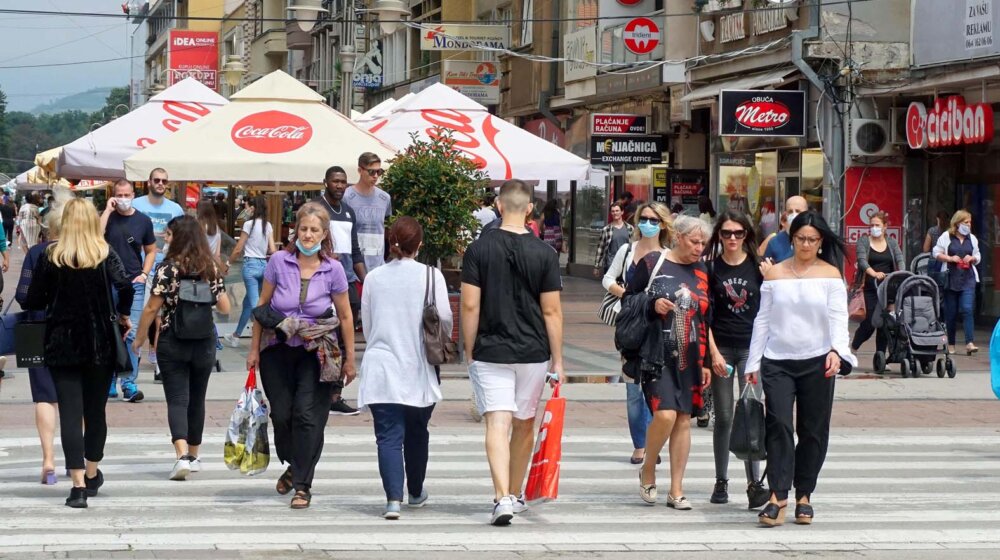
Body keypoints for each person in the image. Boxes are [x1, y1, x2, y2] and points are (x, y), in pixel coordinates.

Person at [461, 179, 565, 526]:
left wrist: (468, 348)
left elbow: (470, 306)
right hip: (534, 352)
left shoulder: (478, 250)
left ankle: (501, 496)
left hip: (491, 349)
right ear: (530, 209)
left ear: (498, 205)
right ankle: (516, 494)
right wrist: (559, 359)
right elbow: (552, 311)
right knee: (523, 424)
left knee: (496, 421)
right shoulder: (545, 254)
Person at [746, 211, 856, 527]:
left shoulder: (831, 275)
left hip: (818, 361)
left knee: (813, 430)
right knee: (778, 424)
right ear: (790, 238)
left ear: (821, 242)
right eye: (800, 238)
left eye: (812, 239)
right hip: (777, 360)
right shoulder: (775, 274)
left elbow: (839, 319)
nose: (806, 244)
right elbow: (762, 320)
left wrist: (839, 352)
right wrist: (753, 362)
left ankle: (803, 494)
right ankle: (777, 496)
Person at [25, 198, 135, 508]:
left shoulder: (52, 256)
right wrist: (123, 314)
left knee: (71, 414)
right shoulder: (104, 253)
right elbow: (125, 286)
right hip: (99, 342)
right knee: (95, 412)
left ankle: (76, 488)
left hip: (62, 342)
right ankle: (91, 472)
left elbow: (33, 299)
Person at [246, 202, 356, 509]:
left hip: (317, 352)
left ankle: (303, 484)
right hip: (277, 349)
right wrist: (253, 349)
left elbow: (346, 316)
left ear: (324, 233)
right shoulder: (279, 261)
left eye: (315, 230)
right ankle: (295, 465)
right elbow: (261, 309)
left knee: (308, 416)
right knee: (282, 415)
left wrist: (350, 359)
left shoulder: (332, 268)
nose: (308, 235)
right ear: (296, 230)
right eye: (304, 229)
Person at [357, 217, 450, 519]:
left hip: (382, 364)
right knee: (417, 430)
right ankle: (415, 491)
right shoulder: (431, 276)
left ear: (391, 241)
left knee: (387, 435)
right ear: (419, 244)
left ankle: (392, 500)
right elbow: (445, 318)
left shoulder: (373, 278)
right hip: (419, 365)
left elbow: (368, 325)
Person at [133, 216, 230, 480]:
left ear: (179, 237)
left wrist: (139, 339)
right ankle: (195, 455)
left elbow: (152, 307)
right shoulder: (210, 266)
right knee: (197, 399)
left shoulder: (167, 269)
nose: (166, 238)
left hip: (171, 340)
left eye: (168, 234)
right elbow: (225, 308)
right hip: (204, 341)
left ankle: (182, 454)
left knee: (177, 399)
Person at [625, 215, 710, 511]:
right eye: (694, 241)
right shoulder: (652, 262)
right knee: (665, 415)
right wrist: (652, 304)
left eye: (703, 243)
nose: (699, 248)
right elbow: (628, 300)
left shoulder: (702, 271)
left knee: (684, 419)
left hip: (691, 356)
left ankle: (676, 489)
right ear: (678, 237)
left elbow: (705, 319)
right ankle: (648, 466)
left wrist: (709, 360)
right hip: (657, 353)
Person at [704, 210, 770, 508]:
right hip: (721, 348)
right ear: (719, 235)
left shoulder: (758, 267)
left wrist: (772, 277)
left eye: (738, 233)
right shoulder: (711, 268)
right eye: (727, 233)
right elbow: (705, 316)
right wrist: (713, 353)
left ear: (747, 235)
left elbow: (771, 309)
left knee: (750, 413)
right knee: (725, 417)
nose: (732, 238)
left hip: (751, 349)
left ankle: (754, 483)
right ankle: (721, 480)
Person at [603, 202, 671, 464]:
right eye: (644, 218)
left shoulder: (668, 254)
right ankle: (640, 444)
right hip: (630, 327)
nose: (648, 224)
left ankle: (654, 443)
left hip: (656, 329)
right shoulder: (627, 250)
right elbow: (608, 279)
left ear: (663, 224)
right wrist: (628, 295)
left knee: (654, 389)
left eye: (654, 220)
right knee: (633, 390)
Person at [15, 192, 66, 485]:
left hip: (38, 327)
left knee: (44, 396)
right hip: (76, 331)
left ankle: (48, 461)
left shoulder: (37, 253)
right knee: (76, 395)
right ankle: (82, 459)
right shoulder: (84, 252)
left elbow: (23, 296)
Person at [315, 165, 365, 416]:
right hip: (322, 281)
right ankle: (319, 390)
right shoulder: (316, 209)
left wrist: (366, 281)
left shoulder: (348, 212)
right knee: (325, 338)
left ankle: (336, 395)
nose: (340, 185)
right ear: (325, 182)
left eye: (344, 182)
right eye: (335, 181)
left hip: (346, 281)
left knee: (346, 339)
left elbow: (355, 250)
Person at [101, 179, 157, 403]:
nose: (123, 199)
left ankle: (129, 382)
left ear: (133, 194)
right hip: (107, 281)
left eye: (127, 195)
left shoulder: (143, 221)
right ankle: (109, 381)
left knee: (131, 332)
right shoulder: (108, 218)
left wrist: (144, 273)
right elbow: (95, 235)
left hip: (133, 282)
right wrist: (107, 210)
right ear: (113, 196)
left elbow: (151, 250)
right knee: (107, 332)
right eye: (119, 195)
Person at [851, 212, 905, 359]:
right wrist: (873, 273)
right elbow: (862, 260)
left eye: (877, 225)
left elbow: (899, 258)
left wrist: (902, 272)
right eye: (872, 225)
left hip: (888, 287)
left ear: (885, 227)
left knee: (885, 322)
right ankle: (854, 346)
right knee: (870, 322)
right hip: (870, 286)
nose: (874, 228)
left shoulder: (892, 243)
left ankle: (880, 356)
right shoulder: (864, 241)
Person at [224, 196, 275, 346]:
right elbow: (272, 250)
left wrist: (228, 262)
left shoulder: (248, 224)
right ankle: (236, 336)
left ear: (253, 208)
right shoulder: (268, 225)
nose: (246, 209)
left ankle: (267, 337)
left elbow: (238, 248)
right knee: (248, 304)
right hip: (264, 266)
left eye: (247, 206)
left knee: (255, 306)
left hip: (250, 266)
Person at [933, 210, 981, 355]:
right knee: (951, 313)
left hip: (968, 278)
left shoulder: (972, 238)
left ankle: (969, 342)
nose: (969, 225)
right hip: (950, 278)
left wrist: (972, 259)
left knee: (967, 309)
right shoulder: (946, 236)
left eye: (970, 222)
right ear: (958, 223)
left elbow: (978, 255)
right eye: (966, 222)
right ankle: (951, 343)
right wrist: (950, 258)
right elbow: (936, 253)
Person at [345, 152, 391, 272]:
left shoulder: (385, 198)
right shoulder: (347, 196)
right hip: (353, 266)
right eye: (371, 172)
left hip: (378, 266)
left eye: (379, 172)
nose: (376, 176)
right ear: (360, 170)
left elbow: (387, 227)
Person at [761, 196, 808, 264]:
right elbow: (765, 268)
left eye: (798, 211)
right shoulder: (775, 242)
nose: (794, 215)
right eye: (790, 211)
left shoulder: (815, 238)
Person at [594, 202, 635, 278]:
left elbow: (635, 247)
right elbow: (600, 248)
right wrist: (596, 266)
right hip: (611, 265)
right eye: (613, 211)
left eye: (617, 211)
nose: (615, 213)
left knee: (625, 288)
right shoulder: (606, 229)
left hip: (626, 263)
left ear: (622, 212)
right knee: (611, 288)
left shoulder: (630, 228)